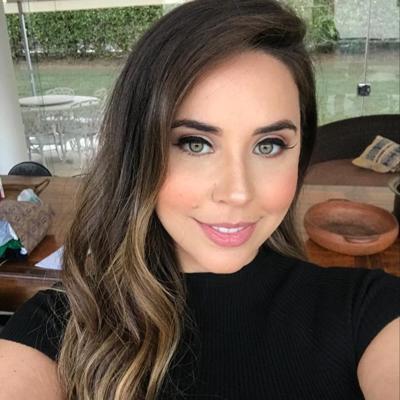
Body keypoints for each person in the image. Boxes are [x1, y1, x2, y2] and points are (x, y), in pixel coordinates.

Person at [0, 1, 398, 399]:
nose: (237, 193)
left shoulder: (369, 310)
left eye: (269, 145)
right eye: (195, 143)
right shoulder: (56, 327)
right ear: (137, 153)